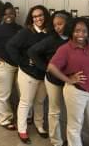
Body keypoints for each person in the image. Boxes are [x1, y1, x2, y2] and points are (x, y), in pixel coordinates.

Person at [48, 16, 89, 146]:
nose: (81, 34)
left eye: (84, 31)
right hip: (76, 92)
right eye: (77, 30)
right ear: (71, 31)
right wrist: (68, 79)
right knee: (75, 127)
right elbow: (51, 67)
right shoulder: (65, 49)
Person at [6, 5, 51, 143]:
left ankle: (39, 125)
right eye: (35, 16)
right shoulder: (26, 32)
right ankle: (22, 129)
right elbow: (10, 46)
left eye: (40, 15)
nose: (38, 18)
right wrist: (23, 62)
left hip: (43, 74)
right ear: (31, 19)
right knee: (26, 102)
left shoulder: (49, 32)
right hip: (28, 74)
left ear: (45, 16)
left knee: (40, 101)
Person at [28, 10, 72, 146]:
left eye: (60, 24)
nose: (57, 27)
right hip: (53, 80)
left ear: (68, 24)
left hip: (69, 80)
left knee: (71, 113)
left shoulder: (74, 37)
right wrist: (45, 67)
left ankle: (71, 141)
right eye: (55, 25)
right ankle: (56, 141)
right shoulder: (51, 39)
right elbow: (32, 51)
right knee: (55, 111)